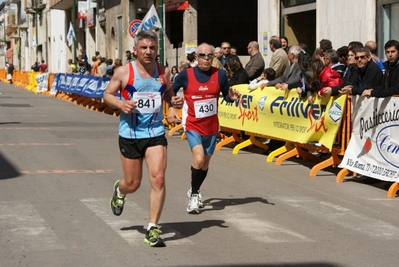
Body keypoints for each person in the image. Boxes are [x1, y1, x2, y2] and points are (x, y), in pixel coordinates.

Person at [103, 30, 174, 247]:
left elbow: (167, 92)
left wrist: (172, 106)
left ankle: (152, 228)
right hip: (130, 135)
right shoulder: (124, 72)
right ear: (135, 50)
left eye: (152, 47)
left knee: (159, 179)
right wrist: (121, 104)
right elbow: (107, 95)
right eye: (144, 47)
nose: (148, 51)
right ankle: (120, 189)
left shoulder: (164, 72)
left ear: (156, 50)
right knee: (133, 184)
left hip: (155, 134)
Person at [171, 43, 241, 214]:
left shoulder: (220, 75)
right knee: (199, 158)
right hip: (193, 124)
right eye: (203, 55)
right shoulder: (186, 75)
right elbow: (170, 92)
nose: (207, 59)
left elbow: (226, 95)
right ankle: (194, 195)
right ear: (196, 57)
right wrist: (172, 106)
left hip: (211, 126)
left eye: (210, 56)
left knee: (204, 164)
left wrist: (231, 97)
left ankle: (195, 188)